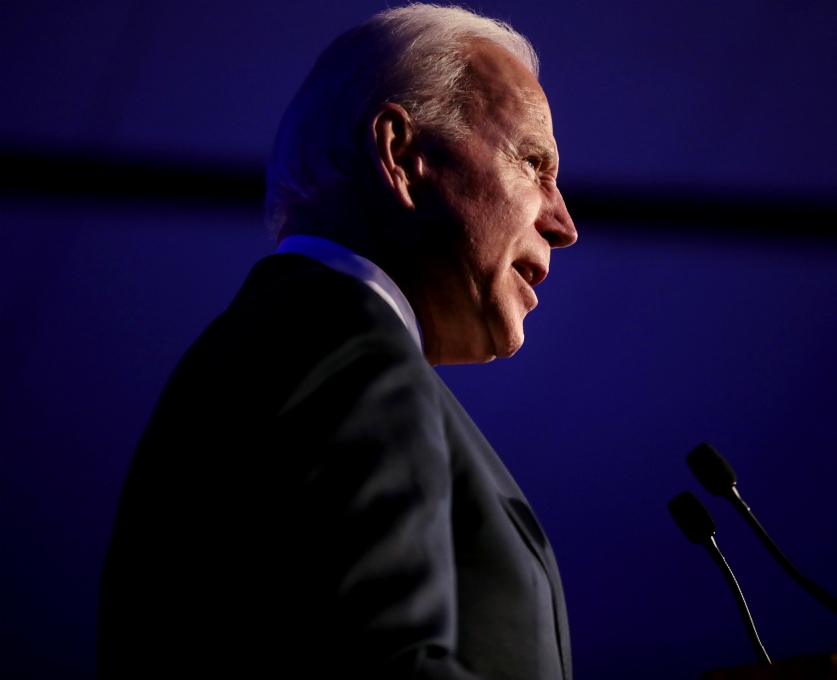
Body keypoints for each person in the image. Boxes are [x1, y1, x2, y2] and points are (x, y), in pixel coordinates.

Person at [97, 5, 577, 679]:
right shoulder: (347, 346)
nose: (563, 223)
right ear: (403, 157)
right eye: (533, 163)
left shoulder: (278, 341)